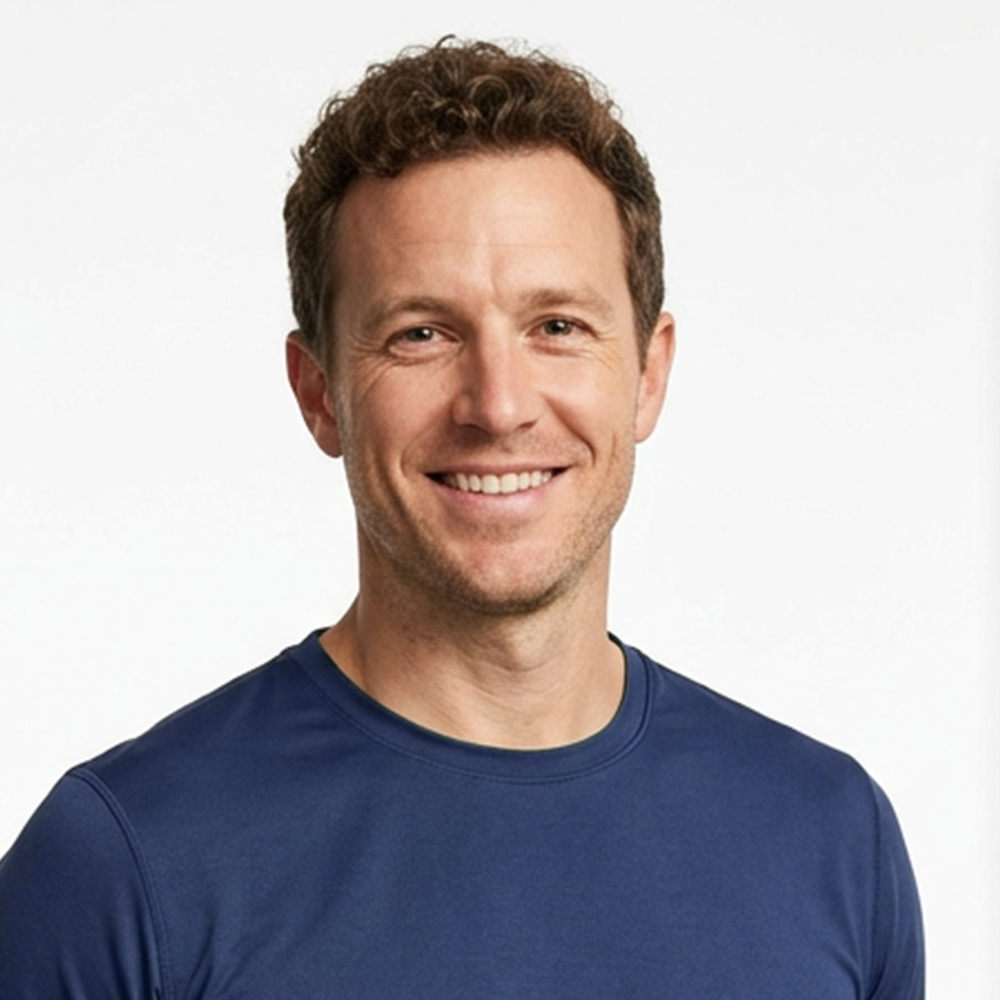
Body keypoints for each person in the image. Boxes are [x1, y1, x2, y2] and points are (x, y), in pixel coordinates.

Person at [0, 38, 923, 998]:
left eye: (557, 326)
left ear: (649, 374)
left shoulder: (832, 841)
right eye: (422, 334)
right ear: (318, 393)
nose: (498, 405)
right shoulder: (125, 868)